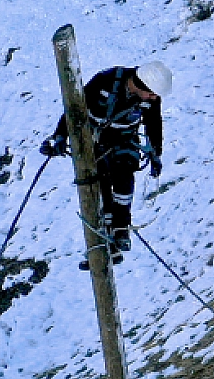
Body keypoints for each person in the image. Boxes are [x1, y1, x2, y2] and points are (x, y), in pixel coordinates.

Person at [41, 61, 173, 263]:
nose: (155, 98)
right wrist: (60, 136)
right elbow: (75, 108)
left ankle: (121, 228)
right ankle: (104, 240)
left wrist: (156, 154)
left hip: (124, 139)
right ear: (142, 85)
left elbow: (154, 124)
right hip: (93, 140)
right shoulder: (105, 81)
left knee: (124, 170)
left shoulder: (150, 99)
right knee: (98, 183)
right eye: (152, 94)